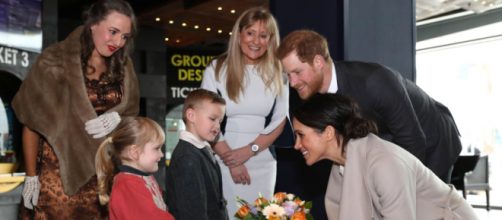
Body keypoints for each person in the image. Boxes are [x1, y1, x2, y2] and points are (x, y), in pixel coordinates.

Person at [277, 29, 461, 182]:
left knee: (426, 208)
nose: (293, 83)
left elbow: (412, 140)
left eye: (297, 72)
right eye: (288, 75)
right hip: (388, 145)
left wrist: (398, 188)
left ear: (318, 62)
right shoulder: (306, 97)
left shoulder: (374, 81)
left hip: (432, 140)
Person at [11, 0, 139, 218]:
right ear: (93, 25)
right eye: (113, 31)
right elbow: (31, 123)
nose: (118, 42)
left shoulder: (124, 67)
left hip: (105, 176)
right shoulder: (53, 61)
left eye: (125, 36)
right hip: (58, 179)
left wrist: (118, 117)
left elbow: (131, 113)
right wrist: (32, 177)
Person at [292, 93, 477, 220]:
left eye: (301, 135)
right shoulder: (341, 166)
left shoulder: (384, 163)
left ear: (328, 133)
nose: (297, 145)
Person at [200, 7, 288, 217]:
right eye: (250, 33)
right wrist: (232, 160)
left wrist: (250, 151)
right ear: (239, 35)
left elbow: (279, 119)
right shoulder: (216, 68)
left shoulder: (279, 71)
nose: (256, 41)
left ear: (270, 40)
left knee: (261, 215)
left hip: (263, 160)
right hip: (223, 156)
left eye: (263, 35)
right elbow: (206, 119)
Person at [166, 89, 228, 220]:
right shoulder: (187, 158)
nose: (217, 126)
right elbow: (193, 213)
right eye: (212, 119)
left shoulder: (200, 149)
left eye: (220, 121)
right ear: (191, 115)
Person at [95, 116, 174, 220]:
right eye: (157, 148)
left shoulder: (142, 178)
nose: (161, 155)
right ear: (134, 152)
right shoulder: (128, 185)